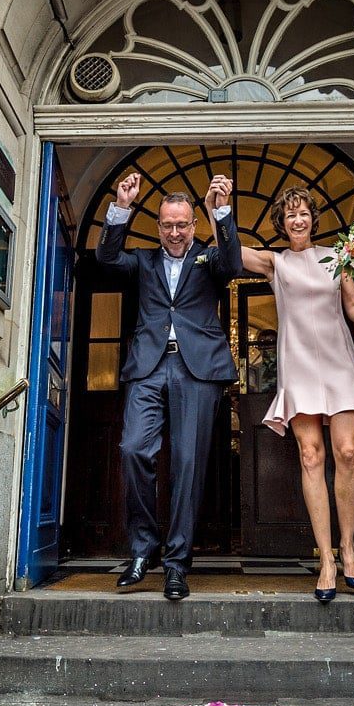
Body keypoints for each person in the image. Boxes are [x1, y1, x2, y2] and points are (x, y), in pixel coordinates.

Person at [209, 186, 354, 602]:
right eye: (290, 216)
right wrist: (219, 208)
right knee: (311, 456)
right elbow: (230, 251)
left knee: (346, 452)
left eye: (303, 213)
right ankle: (325, 558)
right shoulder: (276, 263)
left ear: (313, 217)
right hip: (300, 365)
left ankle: (349, 550)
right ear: (282, 224)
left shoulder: (338, 257)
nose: (298, 220)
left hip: (338, 362)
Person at [96, 171, 242, 600]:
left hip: (197, 371)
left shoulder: (209, 258)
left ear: (193, 225)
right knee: (133, 449)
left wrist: (222, 211)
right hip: (148, 367)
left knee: (187, 465)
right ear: (158, 225)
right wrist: (121, 206)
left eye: (182, 225)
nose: (175, 232)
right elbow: (105, 259)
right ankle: (143, 551)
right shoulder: (142, 260)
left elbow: (232, 264)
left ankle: (177, 564)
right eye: (167, 225)